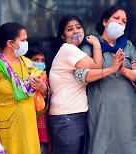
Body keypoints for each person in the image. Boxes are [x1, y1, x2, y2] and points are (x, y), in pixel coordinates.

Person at [49, 15, 124, 154]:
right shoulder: (68, 49)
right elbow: (96, 67)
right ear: (63, 36)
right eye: (70, 29)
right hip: (67, 117)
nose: (76, 32)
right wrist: (96, 45)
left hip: (72, 116)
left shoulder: (75, 51)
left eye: (78, 27)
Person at [0, 22, 48, 154]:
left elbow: (40, 93)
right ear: (11, 43)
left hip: (28, 128)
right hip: (5, 129)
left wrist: (43, 88)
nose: (26, 43)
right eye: (23, 40)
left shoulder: (27, 63)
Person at [79, 5, 136, 154]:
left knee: (126, 142)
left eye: (123, 21)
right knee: (102, 143)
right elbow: (82, 74)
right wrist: (110, 68)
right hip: (101, 101)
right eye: (116, 19)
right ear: (105, 21)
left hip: (126, 104)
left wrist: (123, 69)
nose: (120, 23)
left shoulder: (128, 46)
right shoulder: (91, 44)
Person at [25, 42, 50, 154]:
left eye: (42, 60)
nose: (40, 63)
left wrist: (44, 89)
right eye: (36, 59)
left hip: (42, 133)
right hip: (25, 131)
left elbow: (49, 101)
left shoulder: (47, 80)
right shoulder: (21, 80)